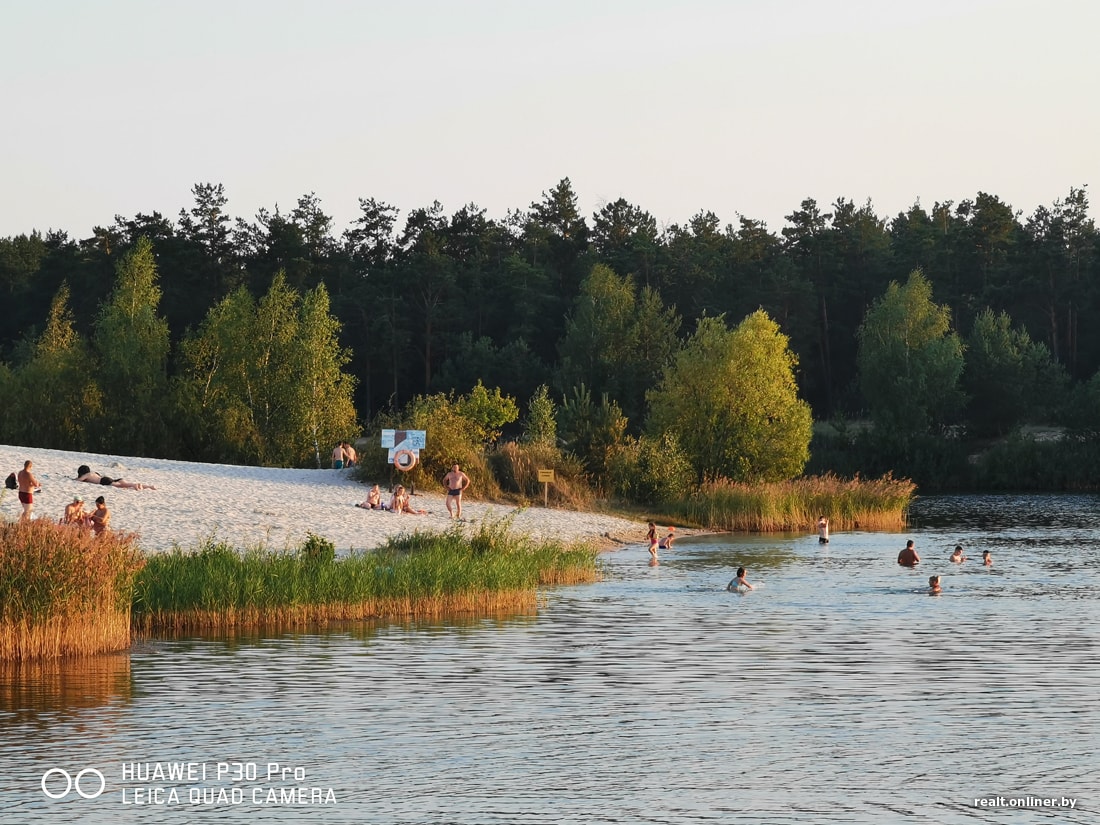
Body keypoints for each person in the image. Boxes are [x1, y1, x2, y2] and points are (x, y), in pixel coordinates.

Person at [76, 465, 155, 490]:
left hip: (104, 481)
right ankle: (149, 486)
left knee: (122, 486)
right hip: (107, 478)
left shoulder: (87, 475)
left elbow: (79, 480)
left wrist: (73, 479)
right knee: (124, 483)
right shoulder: (94, 473)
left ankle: (134, 485)